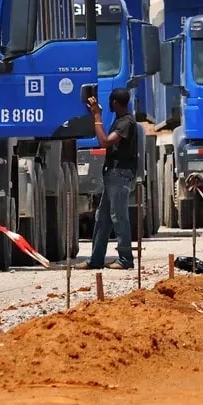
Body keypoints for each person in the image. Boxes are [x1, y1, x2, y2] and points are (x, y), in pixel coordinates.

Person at [85, 88, 139, 272]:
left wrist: (97, 117)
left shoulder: (126, 123)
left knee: (119, 217)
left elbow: (105, 141)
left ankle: (125, 258)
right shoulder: (121, 120)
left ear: (115, 103)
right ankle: (96, 259)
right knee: (103, 218)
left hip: (120, 174)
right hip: (112, 174)